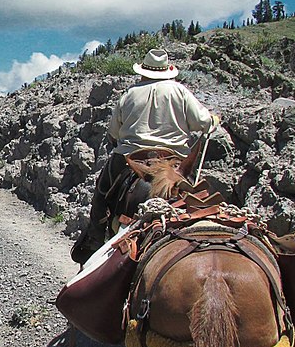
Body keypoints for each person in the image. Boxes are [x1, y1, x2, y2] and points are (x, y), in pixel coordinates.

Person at [71, 48, 219, 264]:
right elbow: (203, 123)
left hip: (131, 156)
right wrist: (214, 120)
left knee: (102, 191)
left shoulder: (130, 94)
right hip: (173, 160)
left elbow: (114, 131)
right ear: (167, 70)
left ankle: (95, 235)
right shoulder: (180, 92)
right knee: (194, 192)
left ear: (143, 72)